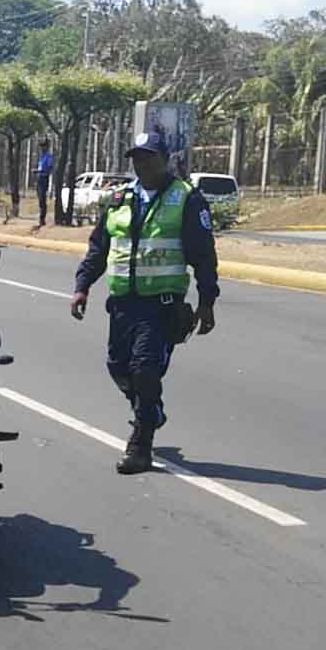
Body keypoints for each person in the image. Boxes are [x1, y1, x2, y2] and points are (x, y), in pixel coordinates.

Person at [68, 131, 219, 475]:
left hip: (161, 304)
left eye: (149, 157)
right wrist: (82, 286)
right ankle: (150, 410)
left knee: (144, 369)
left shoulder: (186, 199)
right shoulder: (120, 198)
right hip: (122, 302)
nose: (142, 164)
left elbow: (203, 256)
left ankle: (140, 445)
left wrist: (207, 301)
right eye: (136, 157)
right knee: (117, 367)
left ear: (166, 160)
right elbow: (98, 248)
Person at [34, 143, 55, 226]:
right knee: (40, 199)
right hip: (39, 179)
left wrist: (40, 171)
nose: (42, 148)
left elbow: (49, 168)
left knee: (42, 198)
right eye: (41, 147)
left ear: (46, 147)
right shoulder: (41, 157)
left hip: (44, 178)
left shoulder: (48, 157)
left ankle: (42, 218)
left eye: (43, 146)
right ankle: (40, 216)